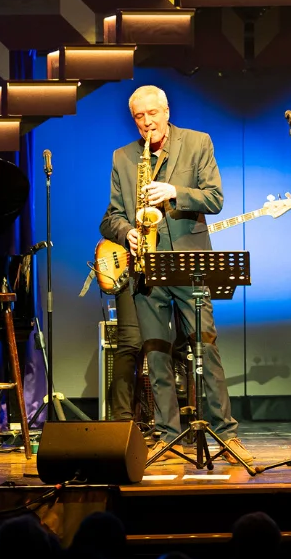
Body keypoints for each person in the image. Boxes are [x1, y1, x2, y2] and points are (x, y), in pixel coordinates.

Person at [100, 85, 252, 465]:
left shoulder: (197, 143)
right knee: (156, 353)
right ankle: (169, 435)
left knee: (206, 347)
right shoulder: (123, 157)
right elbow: (111, 217)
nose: (147, 122)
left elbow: (215, 198)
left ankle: (227, 435)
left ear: (166, 110)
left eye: (153, 113)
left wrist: (174, 192)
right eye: (139, 116)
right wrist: (127, 232)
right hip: (147, 267)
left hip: (189, 264)